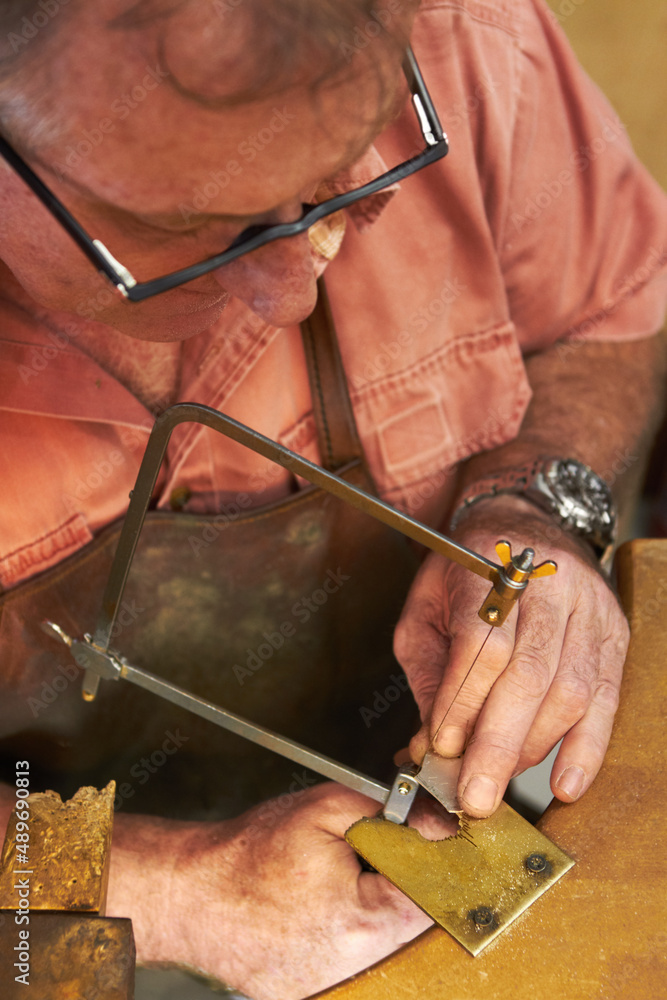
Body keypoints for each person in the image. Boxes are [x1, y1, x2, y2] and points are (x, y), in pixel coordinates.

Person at [0, 0, 665, 997]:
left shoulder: (463, 45)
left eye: (342, 185)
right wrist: (163, 887)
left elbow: (606, 311)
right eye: (191, 229)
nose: (292, 293)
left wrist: (534, 508)